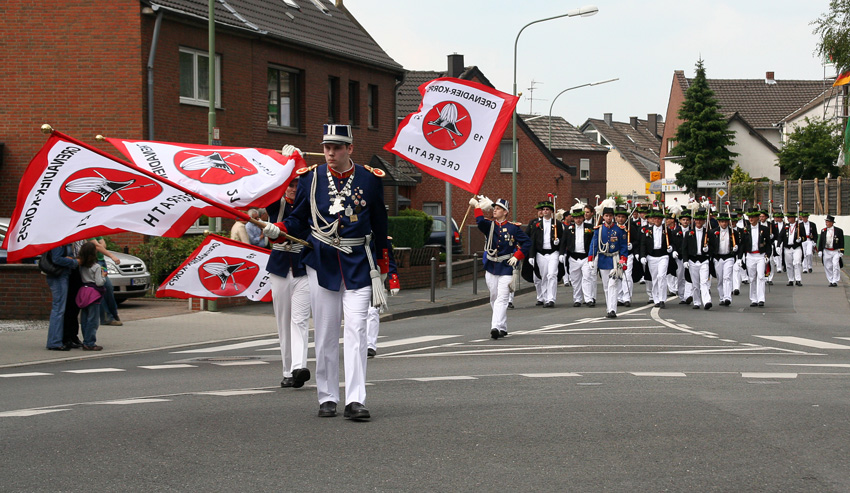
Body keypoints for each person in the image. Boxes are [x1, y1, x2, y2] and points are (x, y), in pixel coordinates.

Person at [263, 124, 389, 421]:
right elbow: (298, 221)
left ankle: (356, 399)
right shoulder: (311, 178)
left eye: (337, 147)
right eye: (326, 147)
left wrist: (386, 267)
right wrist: (277, 230)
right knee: (326, 333)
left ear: (350, 149)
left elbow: (381, 227)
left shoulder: (370, 180)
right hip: (322, 262)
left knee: (357, 330)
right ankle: (328, 396)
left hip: (358, 263)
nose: (331, 153)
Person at [264, 177, 311, 389]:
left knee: (300, 319)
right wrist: (286, 164)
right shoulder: (277, 203)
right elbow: (269, 189)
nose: (293, 189)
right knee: (284, 320)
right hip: (281, 266)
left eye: (296, 185)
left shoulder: (308, 204)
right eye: (290, 185)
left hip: (302, 266)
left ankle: (298, 368)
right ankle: (287, 370)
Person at [471, 196, 530, 339]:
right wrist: (476, 207)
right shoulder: (489, 225)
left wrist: (517, 256)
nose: (495, 210)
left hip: (506, 266)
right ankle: (502, 326)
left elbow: (527, 243)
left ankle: (495, 327)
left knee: (502, 298)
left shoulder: (513, 228)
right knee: (494, 297)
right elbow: (479, 222)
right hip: (491, 266)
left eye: (498, 208)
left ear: (505, 212)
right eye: (494, 208)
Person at [589, 206, 628, 318]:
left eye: (610, 216)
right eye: (606, 216)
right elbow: (594, 245)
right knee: (606, 286)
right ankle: (609, 307)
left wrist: (623, 260)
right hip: (603, 259)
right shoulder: (599, 229)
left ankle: (612, 309)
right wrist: (591, 258)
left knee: (613, 284)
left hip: (615, 260)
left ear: (613, 217)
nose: (609, 218)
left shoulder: (619, 230)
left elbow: (623, 247)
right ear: (603, 217)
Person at [367, 239, 400, 358]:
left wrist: (394, 281)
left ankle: (370, 345)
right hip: (356, 275)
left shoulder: (380, 237)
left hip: (376, 277)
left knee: (372, 311)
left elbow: (389, 260)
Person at [44, 243, 79, 351]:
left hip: (60, 275)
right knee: (58, 309)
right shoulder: (59, 242)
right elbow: (57, 259)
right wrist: (74, 262)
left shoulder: (60, 241)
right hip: (59, 276)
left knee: (59, 308)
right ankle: (54, 342)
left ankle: (55, 340)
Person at [528, 200, 563, 308]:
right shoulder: (536, 225)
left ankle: (551, 298)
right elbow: (532, 240)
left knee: (552, 274)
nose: (545, 211)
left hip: (553, 253)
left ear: (551, 212)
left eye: (547, 209)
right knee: (543, 276)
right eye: (543, 209)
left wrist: (559, 246)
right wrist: (531, 255)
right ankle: (544, 296)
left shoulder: (557, 224)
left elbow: (563, 239)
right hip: (541, 254)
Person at [561, 206, 595, 307]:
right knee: (575, 280)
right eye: (576, 218)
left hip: (586, 257)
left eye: (580, 217)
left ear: (583, 217)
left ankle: (588, 298)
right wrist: (562, 253)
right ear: (573, 219)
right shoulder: (569, 229)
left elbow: (594, 242)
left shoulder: (590, 227)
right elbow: (563, 242)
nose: (578, 220)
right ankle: (577, 299)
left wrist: (593, 256)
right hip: (573, 257)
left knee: (587, 278)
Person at [640, 206, 674, 308]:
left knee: (661, 276)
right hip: (652, 256)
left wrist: (671, 248)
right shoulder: (647, 231)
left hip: (663, 255)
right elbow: (643, 244)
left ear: (662, 219)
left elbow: (672, 242)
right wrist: (642, 256)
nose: (657, 220)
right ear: (652, 219)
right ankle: (656, 298)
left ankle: (662, 299)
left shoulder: (666, 230)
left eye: (659, 218)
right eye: (655, 218)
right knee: (654, 278)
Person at [740, 208, 772, 306]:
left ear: (757, 218)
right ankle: (753, 298)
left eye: (753, 217)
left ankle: (761, 298)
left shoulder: (764, 229)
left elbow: (768, 244)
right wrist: (740, 257)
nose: (751, 219)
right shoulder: (745, 230)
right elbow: (742, 245)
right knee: (752, 278)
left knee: (761, 277)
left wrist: (768, 255)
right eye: (749, 217)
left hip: (760, 255)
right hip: (750, 256)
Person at [682, 208, 713, 310]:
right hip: (692, 260)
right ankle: (696, 302)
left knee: (704, 282)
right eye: (697, 220)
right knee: (695, 284)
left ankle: (707, 301)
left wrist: (708, 249)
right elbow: (684, 248)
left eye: (700, 220)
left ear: (704, 221)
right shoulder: (689, 233)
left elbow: (713, 247)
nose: (698, 222)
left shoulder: (708, 233)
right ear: (694, 221)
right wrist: (685, 260)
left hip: (704, 260)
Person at [77, 242, 105, 351]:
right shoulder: (96, 266)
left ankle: (85, 340)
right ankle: (90, 342)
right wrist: (103, 276)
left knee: (84, 318)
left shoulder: (81, 266)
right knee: (93, 319)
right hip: (93, 292)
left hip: (83, 291)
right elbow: (99, 282)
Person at [90, 237, 122, 326]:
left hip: (102, 261)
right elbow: (97, 246)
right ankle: (107, 317)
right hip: (95, 262)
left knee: (108, 288)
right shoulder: (88, 231)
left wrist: (99, 247)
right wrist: (112, 256)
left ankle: (113, 314)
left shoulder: (96, 231)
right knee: (103, 287)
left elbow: (103, 244)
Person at [710, 211, 739, 306]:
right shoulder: (713, 232)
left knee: (727, 277)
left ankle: (727, 297)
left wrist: (735, 248)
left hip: (729, 257)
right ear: (719, 222)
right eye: (722, 222)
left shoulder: (733, 233)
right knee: (720, 279)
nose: (724, 223)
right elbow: (711, 246)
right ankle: (721, 297)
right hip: (718, 258)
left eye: (726, 222)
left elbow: (738, 243)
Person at [615, 206, 639, 307]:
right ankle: (619, 297)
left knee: (627, 276)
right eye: (619, 216)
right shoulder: (612, 228)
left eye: (623, 217)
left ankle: (627, 297)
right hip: (616, 256)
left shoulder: (631, 227)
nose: (621, 219)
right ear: (616, 217)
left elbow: (637, 240)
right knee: (618, 277)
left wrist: (632, 245)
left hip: (628, 255)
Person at [672, 210, 694, 304]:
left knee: (690, 277)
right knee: (680, 277)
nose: (685, 222)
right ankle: (682, 296)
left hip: (690, 257)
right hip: (680, 257)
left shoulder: (692, 232)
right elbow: (672, 243)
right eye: (683, 220)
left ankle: (688, 295)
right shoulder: (675, 232)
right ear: (680, 221)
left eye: (687, 220)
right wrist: (673, 250)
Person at [817, 215, 845, 287]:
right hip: (826, 251)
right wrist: (820, 250)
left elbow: (842, 241)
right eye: (826, 221)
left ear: (832, 223)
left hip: (835, 251)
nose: (827, 223)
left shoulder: (839, 231)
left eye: (828, 221)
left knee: (835, 265)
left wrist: (842, 251)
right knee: (828, 266)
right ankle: (830, 280)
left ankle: (835, 281)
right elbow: (821, 241)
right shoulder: (823, 231)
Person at [779, 211, 804, 286]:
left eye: (789, 218)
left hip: (796, 247)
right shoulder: (786, 226)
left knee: (797, 263)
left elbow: (804, 237)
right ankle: (790, 279)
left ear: (794, 218)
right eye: (788, 218)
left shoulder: (799, 226)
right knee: (789, 264)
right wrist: (778, 245)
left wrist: (801, 239)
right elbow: (780, 236)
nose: (788, 219)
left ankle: (798, 279)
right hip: (787, 248)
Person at [526, 208, 544, 306]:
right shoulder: (533, 222)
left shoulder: (552, 222)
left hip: (546, 251)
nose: (541, 212)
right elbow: (527, 235)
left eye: (543, 210)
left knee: (547, 275)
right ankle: (540, 297)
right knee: (536, 277)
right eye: (539, 210)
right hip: (535, 251)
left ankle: (547, 296)